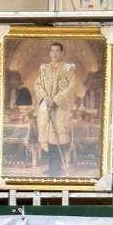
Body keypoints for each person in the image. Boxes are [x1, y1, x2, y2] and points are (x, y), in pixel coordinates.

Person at [33, 41, 77, 177]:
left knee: (57, 137)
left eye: (57, 51)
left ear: (62, 53)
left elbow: (71, 86)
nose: (54, 54)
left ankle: (56, 168)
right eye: (52, 51)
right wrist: (45, 97)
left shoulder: (68, 69)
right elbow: (37, 84)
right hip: (46, 107)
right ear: (49, 53)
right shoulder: (44, 68)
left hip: (60, 109)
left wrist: (56, 100)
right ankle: (52, 167)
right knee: (47, 137)